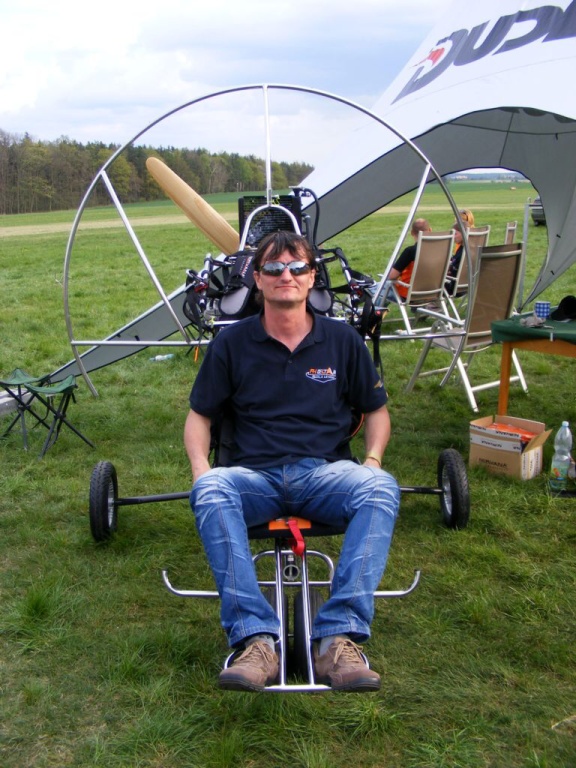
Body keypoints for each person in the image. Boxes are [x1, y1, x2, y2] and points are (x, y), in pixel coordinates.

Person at [184, 231, 400, 693]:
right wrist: (202, 470)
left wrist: (372, 459)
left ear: (312, 277)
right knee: (211, 488)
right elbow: (199, 416)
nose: (287, 275)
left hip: (324, 474)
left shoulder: (342, 340)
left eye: (298, 267)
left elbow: (377, 411)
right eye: (274, 268)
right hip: (253, 476)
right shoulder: (231, 344)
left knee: (380, 486)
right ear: (258, 280)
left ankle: (337, 637)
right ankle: (256, 641)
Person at [386, 218, 432, 300]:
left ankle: (373, 307)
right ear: (430, 230)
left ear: (412, 233)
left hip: (410, 294)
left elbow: (392, 276)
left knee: (379, 287)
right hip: (433, 291)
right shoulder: (439, 249)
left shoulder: (410, 251)